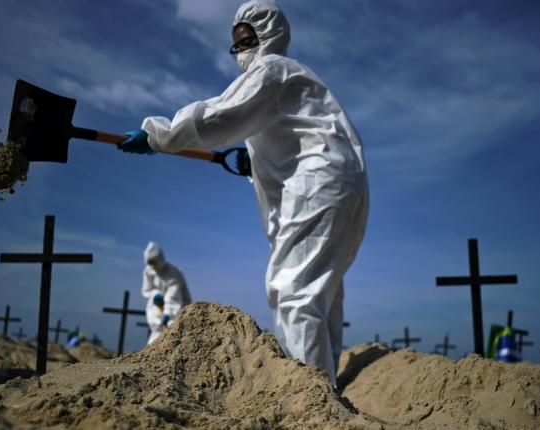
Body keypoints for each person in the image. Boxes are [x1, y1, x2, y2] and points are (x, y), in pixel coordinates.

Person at [119, 0, 368, 386]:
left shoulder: (271, 70)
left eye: (247, 39)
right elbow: (291, 136)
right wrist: (252, 163)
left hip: (318, 186)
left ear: (268, 36)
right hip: (342, 187)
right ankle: (327, 386)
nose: (240, 50)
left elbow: (219, 114)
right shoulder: (294, 82)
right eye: (235, 44)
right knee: (323, 293)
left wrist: (159, 136)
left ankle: (309, 395)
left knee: (293, 291)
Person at [142, 241, 192, 344]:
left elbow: (173, 297)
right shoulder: (149, 271)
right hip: (159, 305)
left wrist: (167, 313)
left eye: (154, 263)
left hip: (178, 305)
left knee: (174, 329)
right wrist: (155, 295)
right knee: (157, 332)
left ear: (160, 259)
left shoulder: (172, 272)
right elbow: (147, 290)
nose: (153, 266)